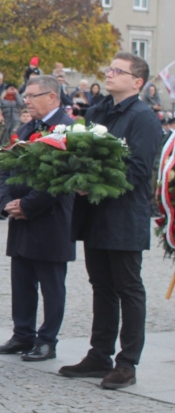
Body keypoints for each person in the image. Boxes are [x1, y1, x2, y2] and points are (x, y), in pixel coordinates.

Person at [62, 53, 163, 390]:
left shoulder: (143, 117)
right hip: (95, 213)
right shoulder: (98, 112)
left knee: (128, 288)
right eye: (109, 68)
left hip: (124, 215)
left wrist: (93, 183)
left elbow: (138, 170)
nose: (109, 73)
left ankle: (127, 363)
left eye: (118, 71)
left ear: (137, 82)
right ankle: (99, 354)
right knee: (101, 286)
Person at [0, 75, 75, 362]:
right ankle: (22, 334)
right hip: (20, 217)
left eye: (32, 96)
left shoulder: (67, 129)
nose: (26, 101)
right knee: (22, 281)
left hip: (50, 219)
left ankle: (47, 340)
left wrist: (28, 204)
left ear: (52, 97)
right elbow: (5, 166)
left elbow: (61, 178)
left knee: (51, 284)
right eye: (26, 96)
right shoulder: (26, 128)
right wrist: (5, 202)